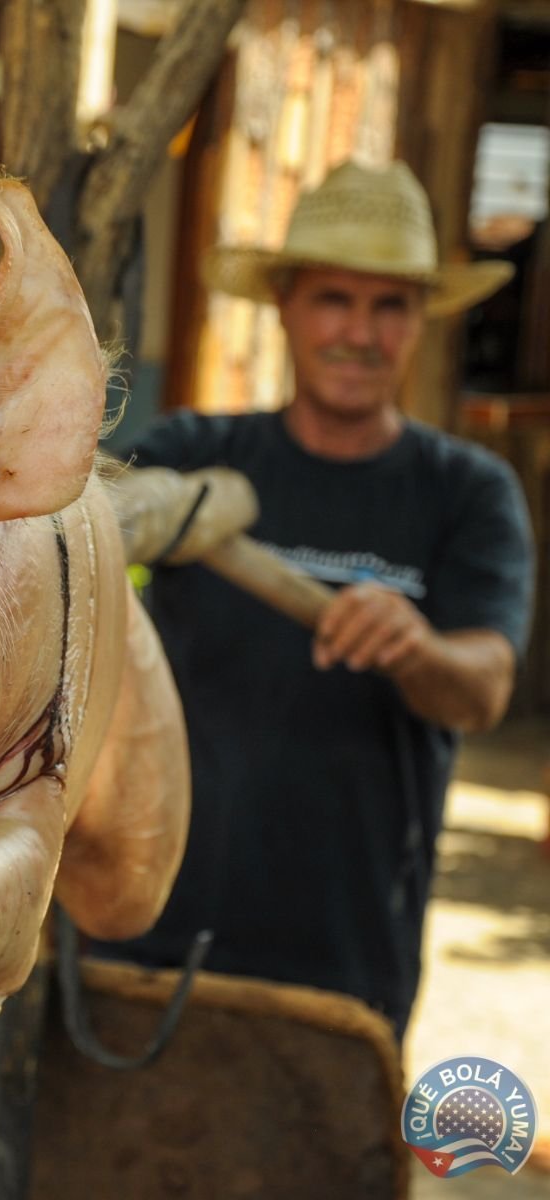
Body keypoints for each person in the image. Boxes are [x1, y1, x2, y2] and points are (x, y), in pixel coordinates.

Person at [99, 160, 536, 1041]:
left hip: (347, 949)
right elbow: (70, 531)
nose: (360, 333)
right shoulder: (192, 453)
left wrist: (418, 647)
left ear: (420, 323)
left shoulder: (468, 492)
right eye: (335, 299)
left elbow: (484, 688)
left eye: (390, 307)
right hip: (154, 927)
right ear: (287, 307)